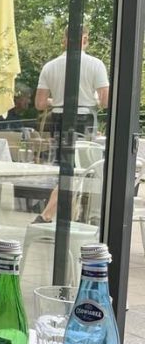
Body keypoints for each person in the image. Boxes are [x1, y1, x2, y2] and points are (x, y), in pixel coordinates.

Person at [32, 28, 110, 223]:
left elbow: (40, 104)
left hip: (58, 117)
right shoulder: (95, 64)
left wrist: (59, 101)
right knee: (78, 169)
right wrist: (92, 100)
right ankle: (48, 215)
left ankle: (68, 216)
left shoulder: (50, 66)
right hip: (83, 118)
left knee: (66, 167)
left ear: (64, 41)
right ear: (85, 40)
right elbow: (106, 100)